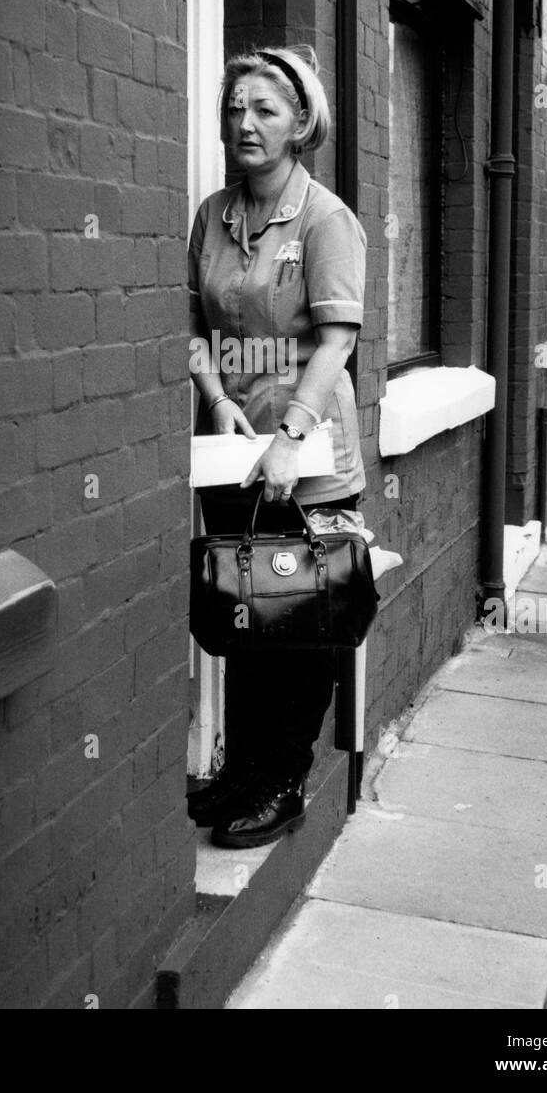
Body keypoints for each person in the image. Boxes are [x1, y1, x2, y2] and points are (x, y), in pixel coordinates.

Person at [187, 44, 368, 849]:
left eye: (264, 110)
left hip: (307, 461)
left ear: (300, 123)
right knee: (245, 610)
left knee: (299, 622)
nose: (245, 124)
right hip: (235, 455)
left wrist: (291, 436)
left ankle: (283, 780)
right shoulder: (213, 215)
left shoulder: (326, 219)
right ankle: (241, 773)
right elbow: (194, 329)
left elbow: (335, 343)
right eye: (235, 110)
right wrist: (221, 401)